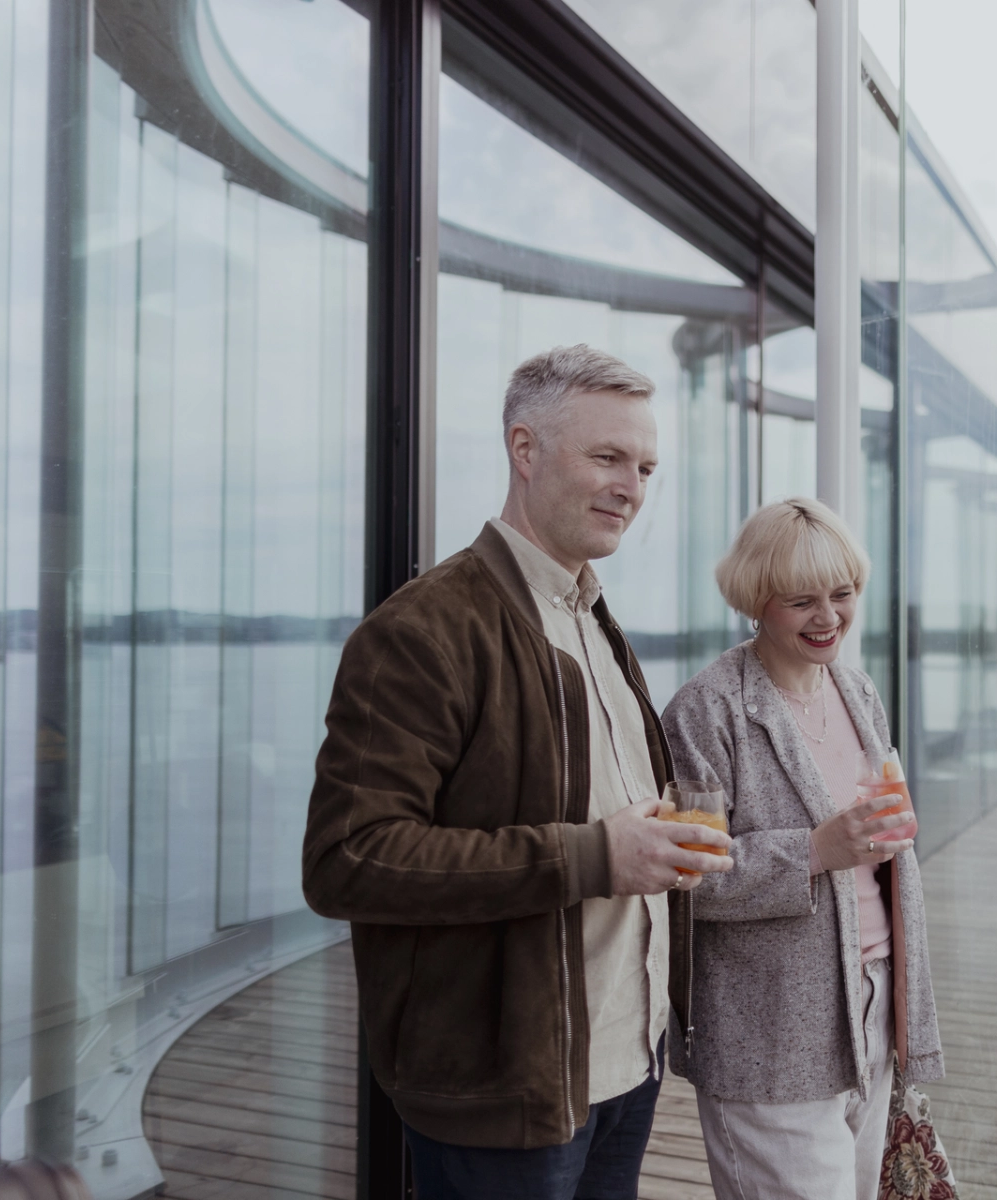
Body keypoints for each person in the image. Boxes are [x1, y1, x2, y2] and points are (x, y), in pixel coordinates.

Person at [302, 345, 733, 1200]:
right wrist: (594, 857)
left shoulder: (592, 616)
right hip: (505, 1089)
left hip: (626, 1061)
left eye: (645, 466)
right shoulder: (422, 631)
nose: (632, 487)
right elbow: (347, 858)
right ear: (525, 450)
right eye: (607, 457)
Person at [661, 497, 944, 1200]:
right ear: (757, 600)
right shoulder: (706, 712)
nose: (829, 618)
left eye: (843, 595)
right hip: (771, 1034)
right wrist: (815, 850)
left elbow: (878, 844)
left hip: (872, 1007)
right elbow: (685, 877)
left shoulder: (857, 690)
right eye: (802, 601)